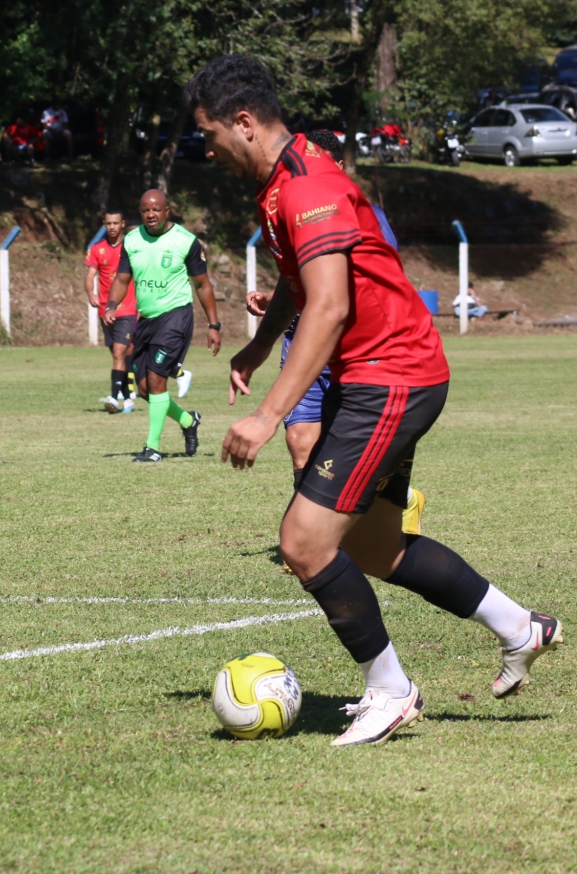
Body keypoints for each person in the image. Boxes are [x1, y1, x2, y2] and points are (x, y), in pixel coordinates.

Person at [189, 54, 562, 747]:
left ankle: (391, 690)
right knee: (374, 545)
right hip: (388, 375)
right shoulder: (282, 185)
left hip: (391, 377)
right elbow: (300, 286)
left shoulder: (307, 188)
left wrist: (268, 415)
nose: (208, 150)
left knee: (304, 542)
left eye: (209, 135)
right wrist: (259, 346)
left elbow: (329, 308)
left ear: (243, 122)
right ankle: (521, 627)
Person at [246, 128, 425, 544]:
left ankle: (400, 502)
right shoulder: (292, 206)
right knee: (299, 439)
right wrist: (274, 303)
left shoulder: (365, 214)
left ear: (339, 166)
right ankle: (314, 541)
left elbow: (364, 283)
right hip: (303, 342)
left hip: (354, 350)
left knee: (344, 452)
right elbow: (301, 276)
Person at [103, 189, 220, 462]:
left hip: (176, 316)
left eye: (156, 209)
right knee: (145, 390)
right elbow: (121, 279)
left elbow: (202, 285)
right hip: (146, 320)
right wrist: (111, 305)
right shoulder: (132, 240)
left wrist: (214, 324)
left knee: (157, 381)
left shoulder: (185, 241)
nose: (151, 214)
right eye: (146, 210)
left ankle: (152, 449)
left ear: (167, 211)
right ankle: (188, 420)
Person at [85, 209, 138, 412]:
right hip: (105, 310)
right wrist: (91, 293)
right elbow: (90, 275)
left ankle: (114, 398)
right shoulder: (97, 249)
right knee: (118, 357)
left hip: (127, 309)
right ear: (104, 224)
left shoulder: (131, 247)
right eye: (108, 223)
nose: (112, 227)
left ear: (123, 224)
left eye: (116, 223)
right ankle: (128, 399)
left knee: (119, 353)